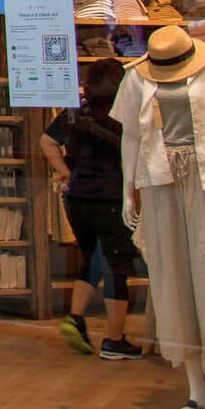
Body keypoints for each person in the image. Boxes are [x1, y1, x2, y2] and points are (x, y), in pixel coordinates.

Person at [43, 56, 143, 360]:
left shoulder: (75, 113)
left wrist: (66, 173)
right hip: (112, 198)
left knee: (93, 258)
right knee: (117, 268)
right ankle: (115, 340)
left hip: (77, 200)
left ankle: (75, 317)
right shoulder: (123, 115)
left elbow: (46, 141)